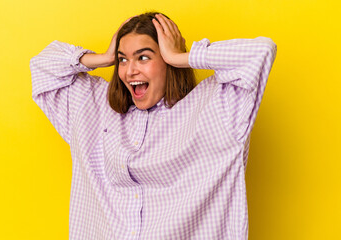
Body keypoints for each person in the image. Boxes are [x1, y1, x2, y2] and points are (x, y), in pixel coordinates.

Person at [30, 12, 276, 240]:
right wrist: (104, 57)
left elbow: (261, 52)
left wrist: (181, 57)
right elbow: (41, 67)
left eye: (144, 57)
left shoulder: (216, 109)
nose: (129, 71)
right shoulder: (93, 106)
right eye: (123, 59)